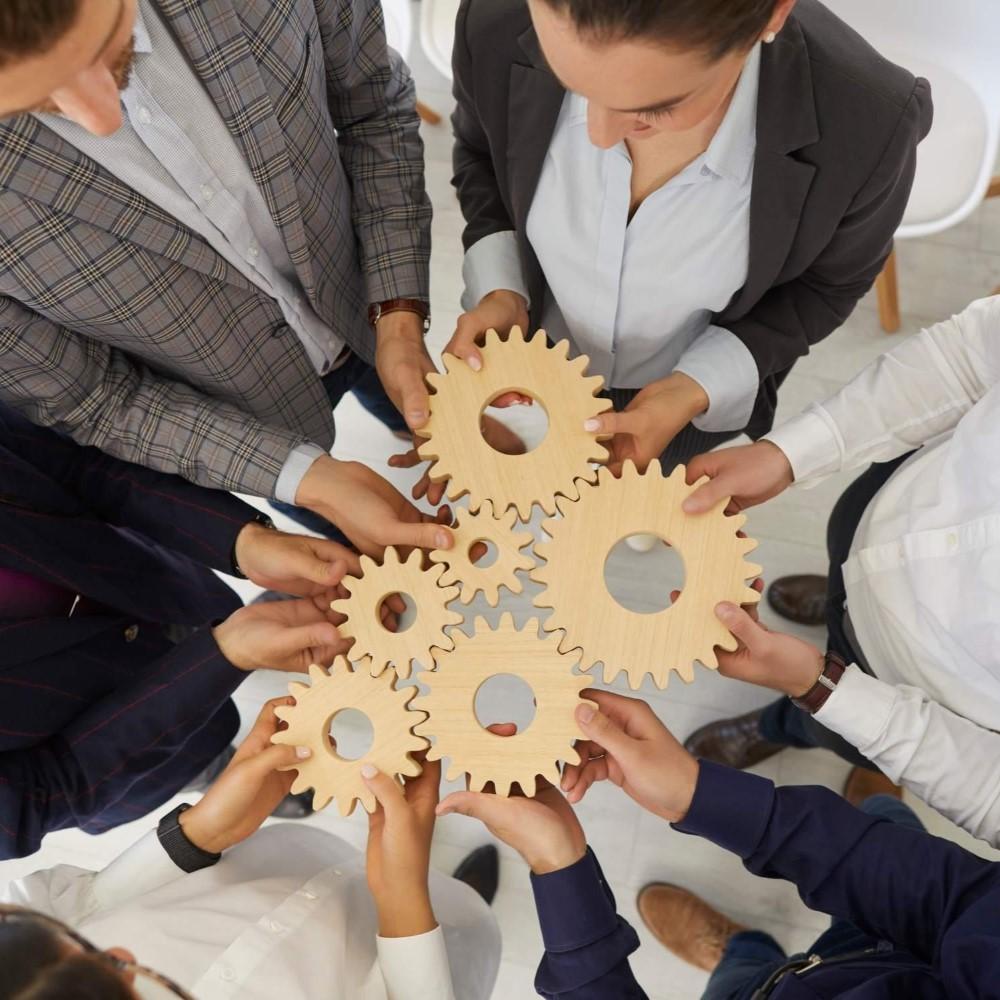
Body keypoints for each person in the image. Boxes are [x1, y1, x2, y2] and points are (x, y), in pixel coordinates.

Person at [0, 0, 456, 556]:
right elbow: (95, 395)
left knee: (415, 406)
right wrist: (303, 477)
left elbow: (372, 106)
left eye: (111, 47)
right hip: (246, 419)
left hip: (362, 292)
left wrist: (399, 314)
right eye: (34, 105)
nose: (102, 116)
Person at [417, 0, 933, 491]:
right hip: (527, 361)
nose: (599, 135)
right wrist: (501, 290)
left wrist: (695, 386)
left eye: (655, 109)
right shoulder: (496, 18)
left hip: (686, 402)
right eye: (570, 81)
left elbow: (826, 286)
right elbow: (483, 154)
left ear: (771, 13)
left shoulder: (870, 126)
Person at [677, 295, 1000, 847]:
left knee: (823, 724)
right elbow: (970, 357)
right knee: (845, 539)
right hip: (891, 507)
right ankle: (837, 597)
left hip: (908, 689)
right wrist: (791, 455)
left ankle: (784, 723)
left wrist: (819, 686)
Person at [440, 693, 1000, 998]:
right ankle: (875, 809)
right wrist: (698, 795)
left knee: (742, 972)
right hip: (901, 949)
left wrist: (559, 865)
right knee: (887, 825)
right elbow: (961, 903)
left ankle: (741, 950)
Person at [0, 404, 362, 859]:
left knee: (213, 612)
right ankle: (223, 767)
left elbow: (73, 462)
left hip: (149, 582)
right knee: (205, 757)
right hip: (122, 737)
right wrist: (222, 656)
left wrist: (240, 541)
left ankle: (254, 623)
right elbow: (45, 790)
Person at [0, 701, 502, 1000]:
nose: (123, 952)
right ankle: (456, 906)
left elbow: (71, 903)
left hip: (283, 866)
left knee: (399, 867)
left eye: (88, 948)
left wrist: (196, 836)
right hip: (423, 965)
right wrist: (405, 906)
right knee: (456, 922)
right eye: (118, 977)